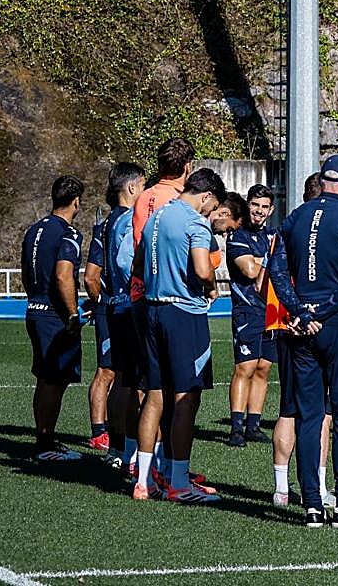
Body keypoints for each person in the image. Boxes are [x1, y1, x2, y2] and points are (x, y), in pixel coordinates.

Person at [269, 154, 338, 528]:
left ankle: (312, 506)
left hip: (302, 328)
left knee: (308, 416)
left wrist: (300, 311)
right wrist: (320, 311)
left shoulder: (295, 217)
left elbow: (277, 270)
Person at [132, 167, 227, 504]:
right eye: (213, 207)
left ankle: (143, 480)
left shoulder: (158, 217)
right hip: (184, 314)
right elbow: (202, 268)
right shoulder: (193, 221)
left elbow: (139, 264)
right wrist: (210, 285)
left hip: (153, 310)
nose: (211, 214)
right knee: (187, 397)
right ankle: (179, 483)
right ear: (206, 196)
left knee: (155, 394)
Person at [127, 137, 195, 490]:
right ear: (187, 168)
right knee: (179, 391)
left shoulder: (143, 197)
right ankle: (172, 471)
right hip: (171, 298)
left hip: (140, 295)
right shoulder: (178, 204)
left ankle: (142, 471)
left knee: (151, 387)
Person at [270, 172, 335, 510]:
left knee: (288, 408)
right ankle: (319, 488)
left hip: (283, 323)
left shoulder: (288, 227)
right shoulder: (318, 232)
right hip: (309, 327)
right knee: (321, 413)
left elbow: (274, 275)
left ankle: (281, 487)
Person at [22, 176, 86, 461]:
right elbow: (63, 274)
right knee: (53, 380)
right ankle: (45, 444)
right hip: (53, 316)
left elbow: (27, 272)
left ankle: (44, 437)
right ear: (76, 201)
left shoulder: (33, 230)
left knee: (45, 378)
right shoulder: (67, 233)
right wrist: (73, 313)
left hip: (34, 309)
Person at [95, 163, 146, 472]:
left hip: (113, 303)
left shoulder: (108, 220)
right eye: (142, 186)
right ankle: (131, 448)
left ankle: (118, 446)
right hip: (127, 304)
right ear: (131, 188)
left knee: (121, 377)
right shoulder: (127, 219)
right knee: (134, 381)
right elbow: (127, 262)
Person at [226, 185, 277, 447]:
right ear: (248, 205)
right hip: (247, 308)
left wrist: (263, 261)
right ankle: (236, 427)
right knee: (244, 367)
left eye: (264, 206)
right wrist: (268, 261)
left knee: (264, 368)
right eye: (255, 205)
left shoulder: (273, 235)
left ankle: (253, 424)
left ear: (271, 210)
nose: (259, 211)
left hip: (271, 310)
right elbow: (248, 270)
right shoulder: (237, 235)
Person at [82, 207, 114, 453]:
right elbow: (91, 277)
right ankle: (99, 432)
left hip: (126, 306)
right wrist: (100, 302)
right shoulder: (105, 228)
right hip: (111, 307)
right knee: (107, 370)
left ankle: (114, 430)